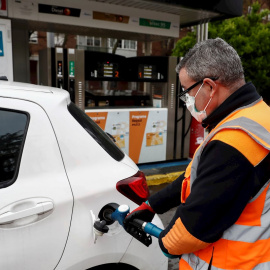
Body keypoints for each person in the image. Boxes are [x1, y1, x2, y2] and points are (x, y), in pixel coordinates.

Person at [124, 38, 270, 270]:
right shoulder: (257, 115)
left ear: (210, 87)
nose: (187, 101)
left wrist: (167, 243)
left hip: (231, 263)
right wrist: (153, 204)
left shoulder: (234, 141)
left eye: (188, 92)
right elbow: (196, 176)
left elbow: (196, 224)